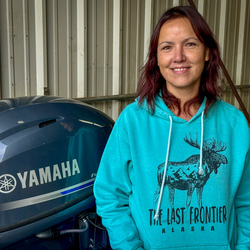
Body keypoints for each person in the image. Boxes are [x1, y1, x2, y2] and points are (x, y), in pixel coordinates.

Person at [94, 6, 250, 250]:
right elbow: (109, 194)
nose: (178, 57)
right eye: (167, 47)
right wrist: (129, 247)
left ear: (207, 52)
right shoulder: (132, 121)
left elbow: (246, 201)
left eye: (190, 44)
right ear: (156, 58)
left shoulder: (235, 123)